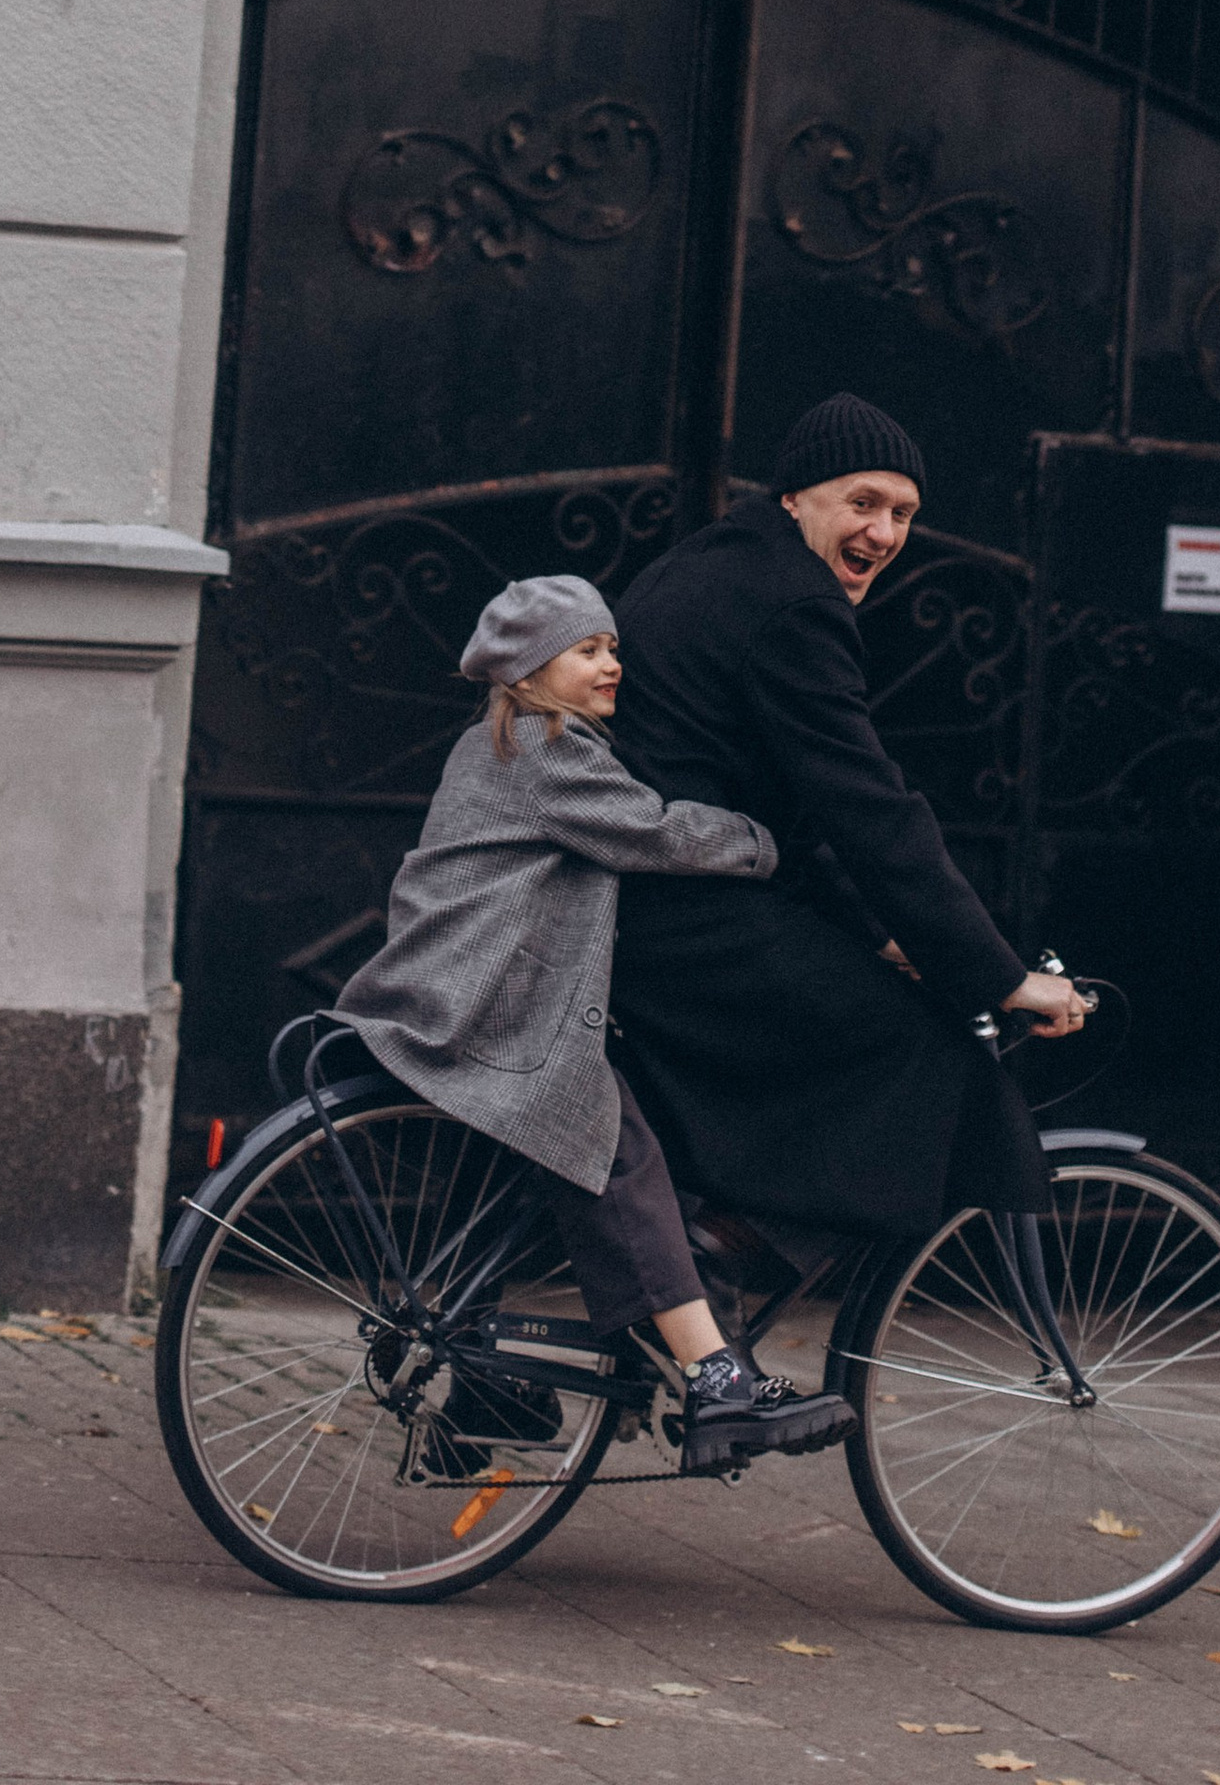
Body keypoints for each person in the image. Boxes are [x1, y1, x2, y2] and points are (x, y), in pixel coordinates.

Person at [334, 570, 853, 1471]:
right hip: (489, 1007)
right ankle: (715, 1377)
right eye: (588, 649)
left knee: (526, 1165)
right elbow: (653, 832)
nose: (613, 662)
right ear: (531, 672)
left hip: (456, 992)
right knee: (616, 1150)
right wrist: (768, 844)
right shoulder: (542, 747)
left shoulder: (495, 746)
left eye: (612, 645)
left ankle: (492, 1384)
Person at [608, 396, 1091, 1249]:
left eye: (903, 513)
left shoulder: (721, 564)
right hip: (678, 914)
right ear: (796, 496)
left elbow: (787, 811)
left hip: (640, 895)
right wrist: (999, 978)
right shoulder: (792, 601)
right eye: (862, 502)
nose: (883, 533)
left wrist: (883, 934)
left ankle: (696, 1254)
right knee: (920, 1049)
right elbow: (868, 807)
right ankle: (720, 1258)